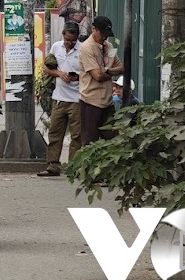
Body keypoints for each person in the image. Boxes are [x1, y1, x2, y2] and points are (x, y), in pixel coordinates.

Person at [37, 21, 83, 177]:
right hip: (59, 98)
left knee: (77, 135)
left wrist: (78, 77)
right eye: (67, 40)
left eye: (73, 40)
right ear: (63, 35)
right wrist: (59, 73)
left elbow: (90, 71)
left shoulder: (83, 49)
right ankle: (53, 165)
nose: (70, 43)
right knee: (55, 133)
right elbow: (46, 67)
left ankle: (73, 167)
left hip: (77, 98)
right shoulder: (56, 47)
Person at [78, 16, 124, 146]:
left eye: (107, 35)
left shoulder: (108, 46)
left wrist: (107, 71)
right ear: (94, 29)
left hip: (107, 101)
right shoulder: (87, 48)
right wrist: (110, 71)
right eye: (102, 34)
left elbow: (121, 68)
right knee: (90, 142)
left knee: (113, 140)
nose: (104, 37)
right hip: (90, 101)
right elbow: (97, 76)